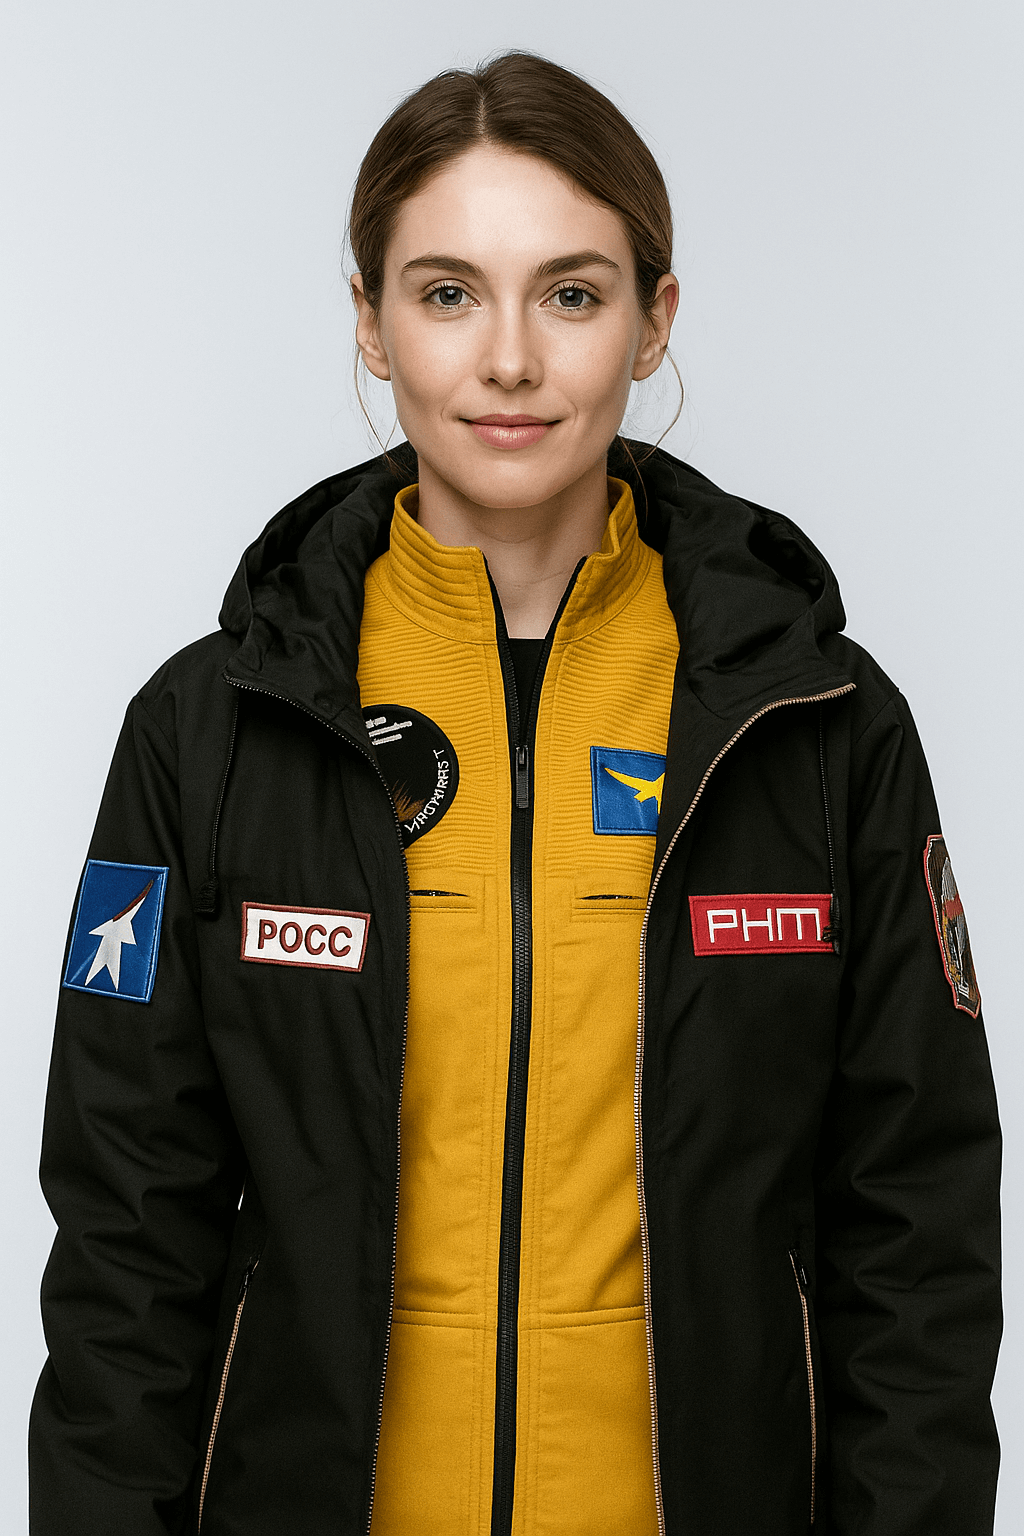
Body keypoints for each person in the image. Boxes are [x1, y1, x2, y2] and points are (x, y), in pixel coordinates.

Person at [29, 50, 1001, 1536]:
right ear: (370, 323)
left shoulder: (816, 722)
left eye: (571, 294)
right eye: (446, 293)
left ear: (654, 320)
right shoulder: (211, 726)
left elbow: (917, 1229)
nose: (508, 361)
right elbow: (123, 1236)